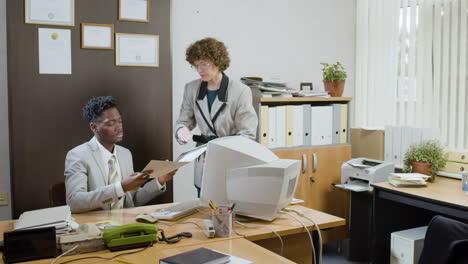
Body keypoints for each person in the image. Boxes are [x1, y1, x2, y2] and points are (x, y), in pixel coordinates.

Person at [174, 38, 258, 195]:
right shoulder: (191, 88)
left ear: (218, 62)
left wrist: (223, 151)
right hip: (204, 156)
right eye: (196, 65)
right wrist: (181, 130)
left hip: (231, 158)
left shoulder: (240, 91)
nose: (200, 70)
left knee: (229, 206)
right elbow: (184, 120)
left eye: (204, 64)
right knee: (204, 204)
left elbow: (248, 133)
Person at [65, 96, 175, 213]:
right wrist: (120, 187)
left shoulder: (125, 154)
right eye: (111, 123)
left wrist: (160, 181)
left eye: (120, 121)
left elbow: (133, 200)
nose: (119, 127)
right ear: (94, 127)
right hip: (96, 226)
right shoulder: (78, 155)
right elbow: (74, 203)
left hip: (125, 224)